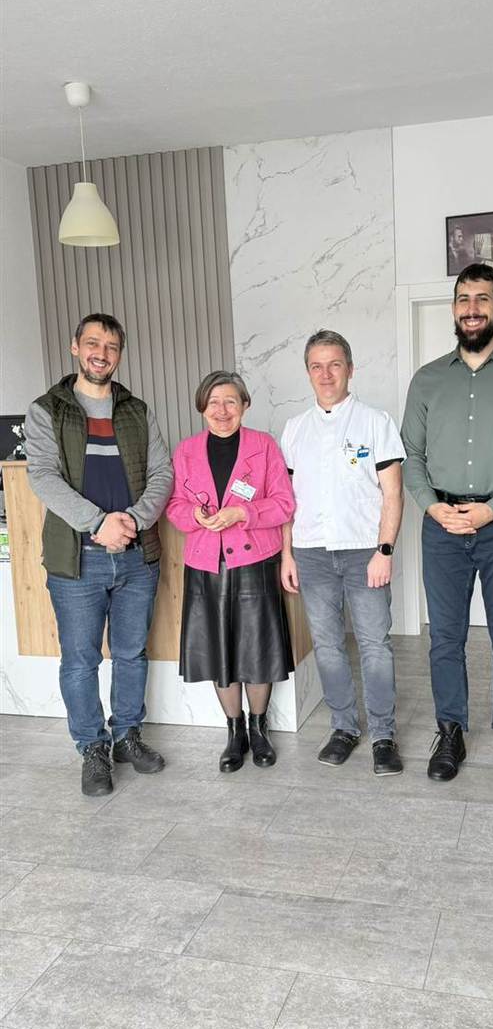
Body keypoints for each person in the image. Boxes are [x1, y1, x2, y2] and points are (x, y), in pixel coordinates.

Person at [402, 264, 493, 786]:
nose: (472, 308)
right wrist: (430, 506)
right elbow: (412, 455)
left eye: (482, 299)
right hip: (441, 525)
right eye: (463, 298)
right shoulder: (427, 379)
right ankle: (451, 731)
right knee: (445, 637)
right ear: (454, 308)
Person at [25, 313, 173, 796]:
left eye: (110, 346)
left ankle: (127, 736)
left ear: (119, 354)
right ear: (75, 347)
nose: (101, 354)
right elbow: (43, 476)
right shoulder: (47, 410)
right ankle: (92, 747)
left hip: (136, 556)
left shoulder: (136, 410)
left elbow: (162, 473)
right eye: (92, 343)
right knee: (80, 660)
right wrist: (99, 523)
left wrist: (132, 520)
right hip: (77, 561)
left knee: (131, 653)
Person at [280, 330, 406, 775]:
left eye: (334, 364)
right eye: (317, 366)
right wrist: (287, 555)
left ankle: (384, 734)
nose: (326, 374)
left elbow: (393, 494)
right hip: (311, 553)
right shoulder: (295, 430)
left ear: (350, 369)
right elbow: (287, 501)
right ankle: (344, 727)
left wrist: (384, 550)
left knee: (374, 645)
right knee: (328, 646)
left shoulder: (375, 422)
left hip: (363, 552)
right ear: (308, 372)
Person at [166, 371, 295, 772]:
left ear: (244, 406)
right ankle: (234, 732)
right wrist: (194, 515)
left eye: (231, 402)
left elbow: (284, 503)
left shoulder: (263, 445)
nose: (222, 411)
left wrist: (243, 512)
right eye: (214, 402)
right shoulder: (186, 451)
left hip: (255, 561)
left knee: (258, 649)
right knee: (218, 650)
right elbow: (173, 506)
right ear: (202, 407)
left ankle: (259, 729)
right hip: (206, 564)